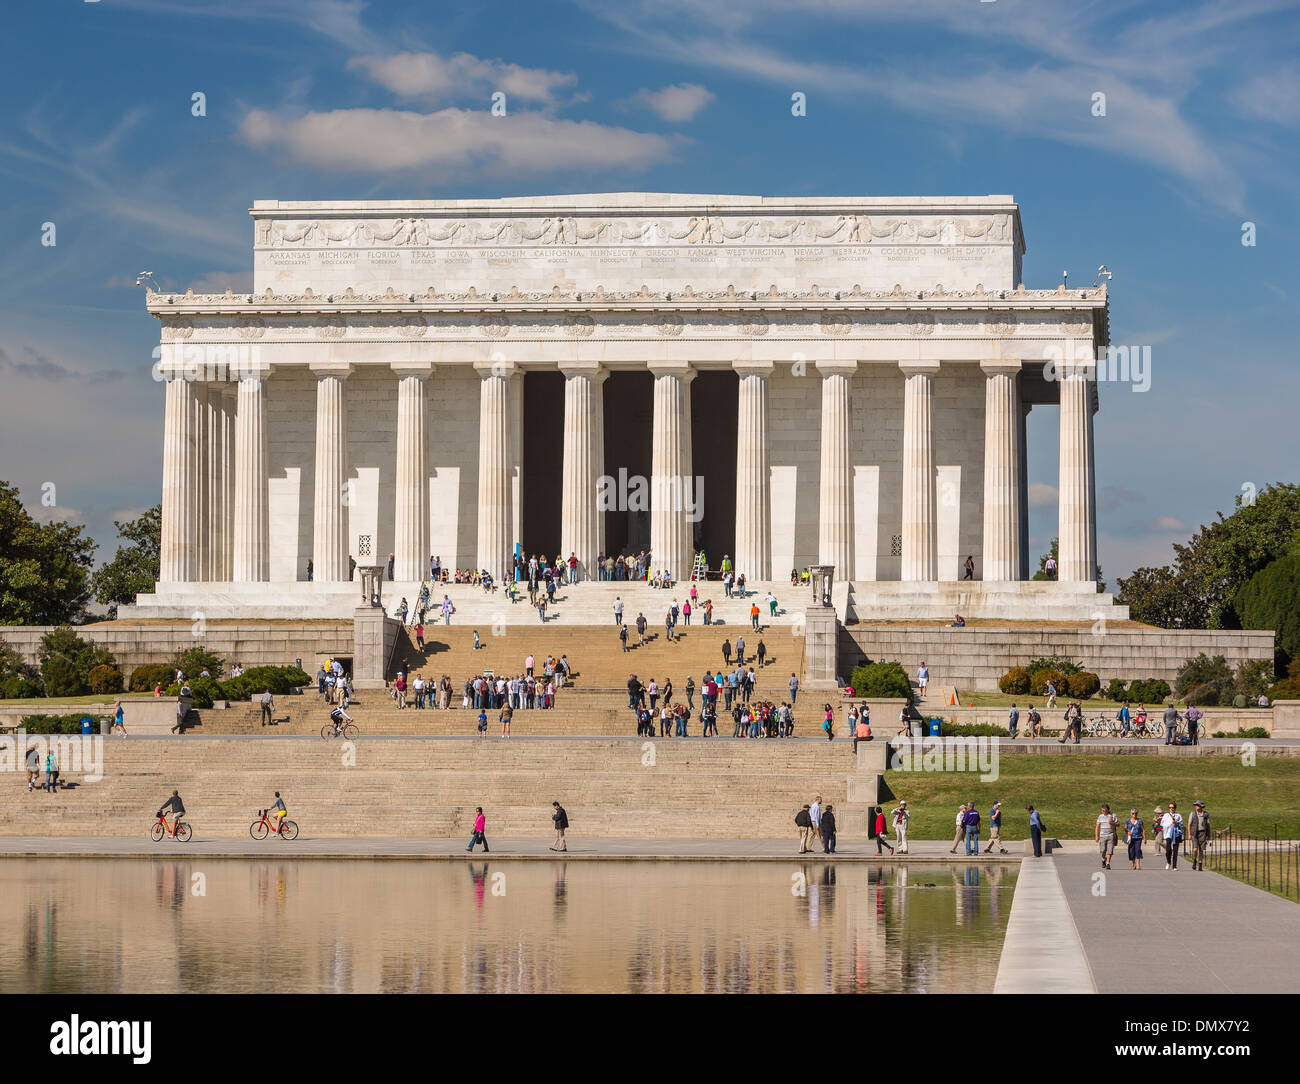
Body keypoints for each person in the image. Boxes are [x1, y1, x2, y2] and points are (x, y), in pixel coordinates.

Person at [1161, 801, 1184, 869]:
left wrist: (1176, 823)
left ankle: (1174, 866)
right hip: (1168, 834)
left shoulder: (1178, 815)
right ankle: (1168, 861)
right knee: (1168, 849)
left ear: (1175, 808)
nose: (1171, 809)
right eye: (1170, 807)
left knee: (1175, 850)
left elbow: (1181, 825)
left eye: (1172, 807)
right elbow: (1162, 824)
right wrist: (1171, 823)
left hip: (1176, 834)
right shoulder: (1166, 815)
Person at [1188, 800, 1210, 870]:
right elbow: (1189, 824)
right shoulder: (1193, 814)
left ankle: (1200, 864)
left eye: (1197, 805)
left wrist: (1208, 835)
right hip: (1194, 833)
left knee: (1201, 850)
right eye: (1195, 805)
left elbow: (1208, 825)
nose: (1196, 806)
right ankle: (1194, 861)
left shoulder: (1205, 814)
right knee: (1195, 849)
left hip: (1202, 833)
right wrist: (1189, 834)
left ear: (1201, 806)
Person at [1095, 803, 1118, 870]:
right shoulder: (1100, 816)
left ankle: (1108, 863)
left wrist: (1112, 823)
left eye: (1104, 810)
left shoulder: (1113, 816)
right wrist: (1096, 836)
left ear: (1108, 810)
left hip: (1111, 835)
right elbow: (1097, 826)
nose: (1103, 812)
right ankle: (1103, 860)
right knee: (1103, 850)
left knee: (1110, 850)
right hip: (1102, 836)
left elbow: (1118, 824)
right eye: (1102, 810)